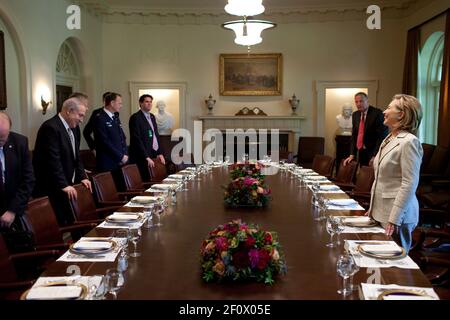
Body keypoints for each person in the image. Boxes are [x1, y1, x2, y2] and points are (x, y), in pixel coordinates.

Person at [367, 94, 423, 252]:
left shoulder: (409, 142)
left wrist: (395, 218)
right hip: (381, 211)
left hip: (397, 216)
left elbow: (409, 183)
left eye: (389, 108)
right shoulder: (389, 138)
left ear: (401, 114)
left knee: (395, 267)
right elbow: (381, 179)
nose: (385, 111)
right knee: (381, 264)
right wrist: (373, 207)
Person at [33, 97, 92, 225]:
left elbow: (76, 156)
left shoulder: (74, 127)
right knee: (58, 224)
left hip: (67, 184)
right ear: (69, 111)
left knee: (70, 221)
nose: (81, 120)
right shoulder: (50, 127)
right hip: (51, 187)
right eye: (80, 115)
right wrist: (63, 184)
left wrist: (82, 176)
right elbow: (52, 160)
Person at [0, 112, 34, 230]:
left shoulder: (20, 142)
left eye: (3, 139)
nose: (1, 143)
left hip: (16, 209)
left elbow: (28, 180)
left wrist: (12, 210)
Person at [343, 92, 388, 167]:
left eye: (361, 101)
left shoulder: (377, 113)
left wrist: (375, 155)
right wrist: (352, 154)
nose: (358, 104)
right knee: (362, 174)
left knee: (371, 176)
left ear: (367, 101)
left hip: (373, 152)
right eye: (356, 102)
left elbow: (381, 137)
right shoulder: (355, 115)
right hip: (361, 151)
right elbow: (354, 135)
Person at [129, 94, 165, 182]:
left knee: (155, 181)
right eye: (146, 102)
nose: (149, 104)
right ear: (140, 103)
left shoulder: (152, 116)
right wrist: (146, 157)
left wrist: (160, 153)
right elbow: (136, 139)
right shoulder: (135, 117)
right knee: (146, 181)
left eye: (150, 102)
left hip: (153, 153)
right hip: (141, 156)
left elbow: (155, 135)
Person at [93, 92, 128, 174]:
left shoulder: (115, 117)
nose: (121, 105)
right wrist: (120, 157)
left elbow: (122, 137)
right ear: (112, 103)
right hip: (108, 163)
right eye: (119, 103)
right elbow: (104, 142)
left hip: (120, 161)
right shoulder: (100, 118)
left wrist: (124, 154)